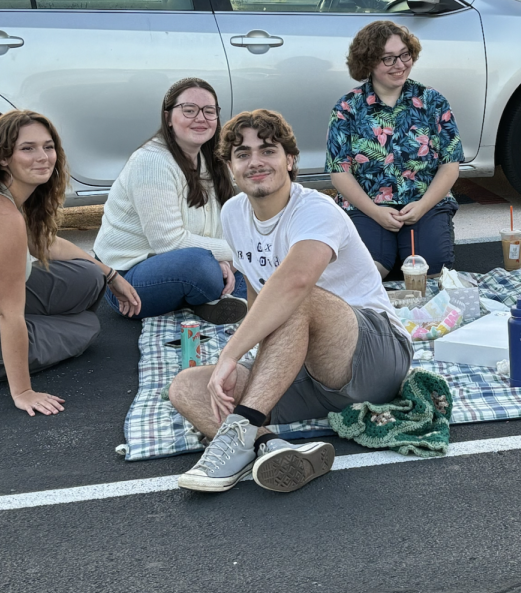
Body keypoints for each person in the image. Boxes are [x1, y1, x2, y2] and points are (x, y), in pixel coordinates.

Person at [169, 109, 413, 494]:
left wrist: (231, 354)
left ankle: (240, 432)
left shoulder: (315, 209)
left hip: (373, 356)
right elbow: (255, 293)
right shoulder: (233, 213)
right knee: (186, 386)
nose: (256, 162)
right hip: (308, 375)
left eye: (268, 151)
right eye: (243, 154)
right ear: (229, 166)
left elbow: (294, 283)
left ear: (290, 160)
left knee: (295, 297)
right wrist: (256, 362)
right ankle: (271, 446)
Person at [0, 110, 142, 416]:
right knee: (87, 326)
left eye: (48, 146)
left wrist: (111, 275)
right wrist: (23, 391)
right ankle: (33, 349)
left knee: (88, 276)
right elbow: (9, 315)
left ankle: (62, 312)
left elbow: (45, 243)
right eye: (27, 149)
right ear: (4, 157)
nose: (43, 157)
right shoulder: (1, 217)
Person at [94, 78, 247, 324]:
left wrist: (231, 261)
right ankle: (219, 295)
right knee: (200, 266)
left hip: (195, 261)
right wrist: (237, 252)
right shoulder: (152, 161)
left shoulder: (211, 159)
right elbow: (170, 242)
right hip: (125, 280)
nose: (201, 118)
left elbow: (233, 222)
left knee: (260, 260)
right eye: (189, 110)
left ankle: (218, 300)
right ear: (168, 117)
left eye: (209, 111)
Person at [326, 20, 464, 278]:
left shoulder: (433, 101)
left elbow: (450, 164)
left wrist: (422, 206)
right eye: (388, 59)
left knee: (433, 270)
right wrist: (375, 211)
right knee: (368, 271)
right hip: (367, 205)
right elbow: (339, 172)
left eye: (404, 55)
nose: (400, 65)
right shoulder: (347, 107)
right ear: (368, 62)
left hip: (426, 202)